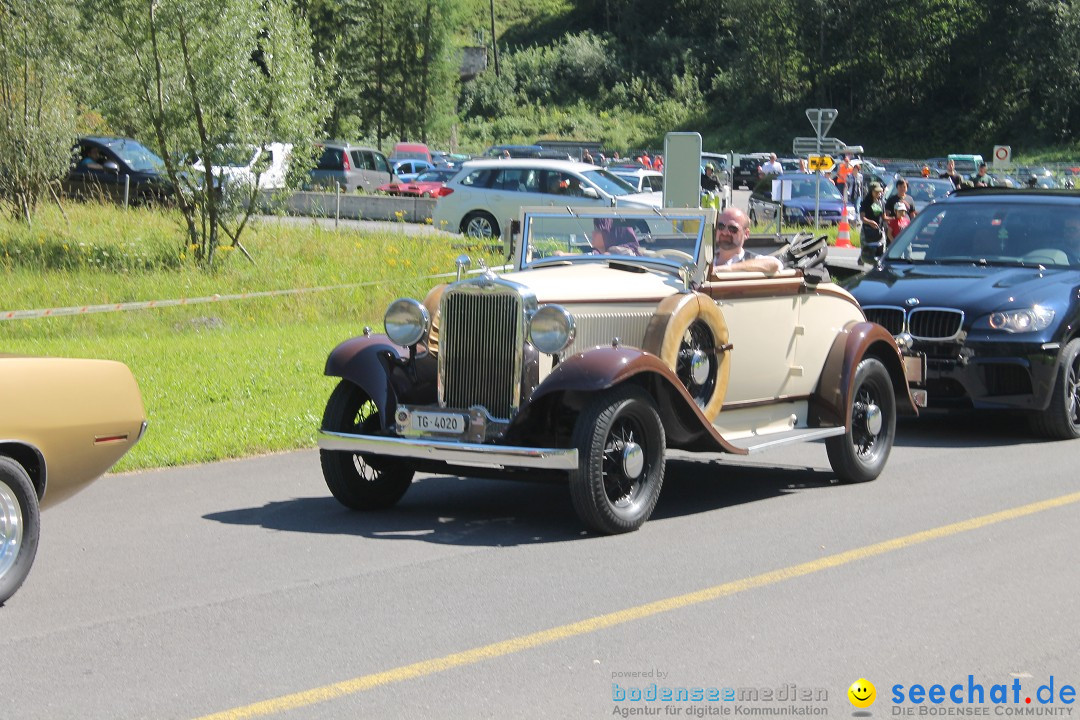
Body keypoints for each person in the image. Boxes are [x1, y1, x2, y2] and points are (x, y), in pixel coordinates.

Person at [709, 208, 783, 276]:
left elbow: (774, 264)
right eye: (721, 226)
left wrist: (723, 269)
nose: (725, 232)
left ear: (746, 234)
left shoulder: (753, 260)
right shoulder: (704, 259)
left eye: (732, 229)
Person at [859, 182, 887, 264]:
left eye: (880, 192)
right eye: (876, 192)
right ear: (871, 191)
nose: (878, 194)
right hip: (867, 231)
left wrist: (895, 218)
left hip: (879, 231)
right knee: (866, 251)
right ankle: (860, 264)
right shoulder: (865, 203)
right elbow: (862, 218)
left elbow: (884, 217)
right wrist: (870, 222)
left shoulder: (881, 202)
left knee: (881, 250)